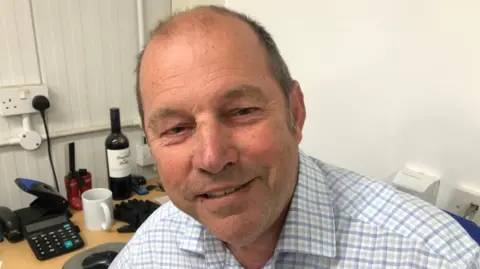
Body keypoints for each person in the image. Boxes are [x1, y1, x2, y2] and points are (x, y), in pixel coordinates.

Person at [110, 5, 479, 269]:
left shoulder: (435, 256)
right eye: (176, 129)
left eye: (241, 111)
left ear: (295, 113)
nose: (211, 157)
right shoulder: (153, 244)